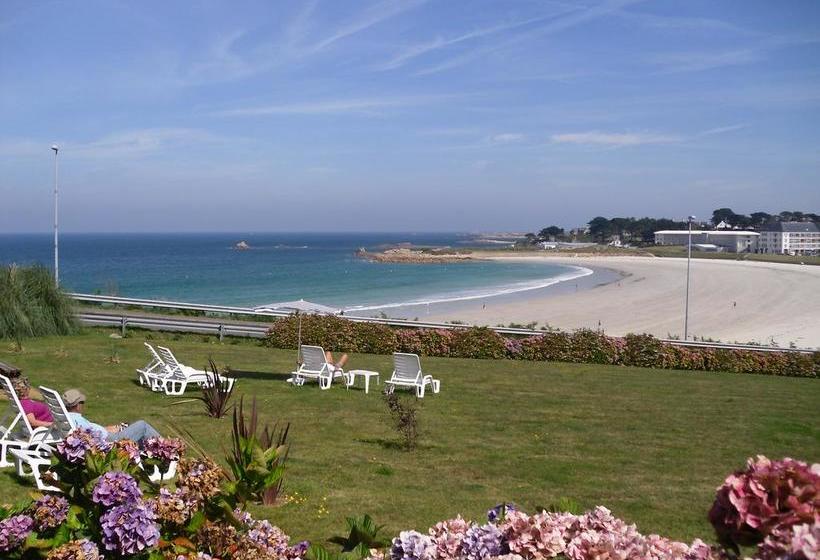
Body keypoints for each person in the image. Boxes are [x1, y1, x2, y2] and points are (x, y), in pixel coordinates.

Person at [62, 388, 161, 444]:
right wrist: (108, 432)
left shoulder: (66, 418)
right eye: (82, 402)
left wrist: (108, 429)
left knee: (131, 428)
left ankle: (150, 457)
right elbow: (93, 436)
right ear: (77, 406)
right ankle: (168, 447)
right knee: (142, 425)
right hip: (111, 441)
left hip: (107, 435)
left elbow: (91, 430)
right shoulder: (77, 421)